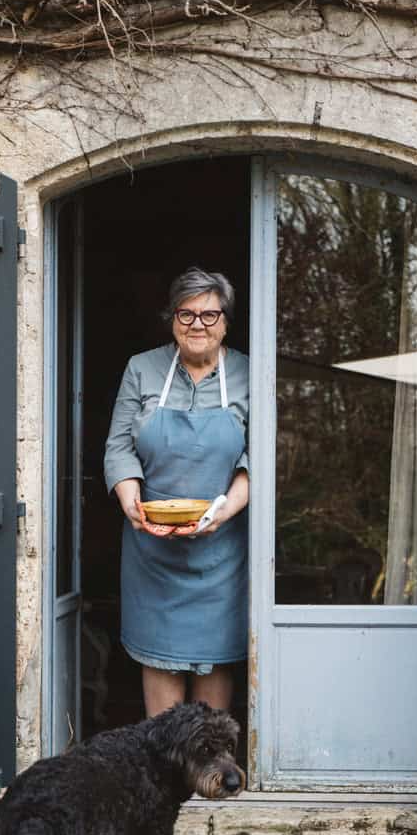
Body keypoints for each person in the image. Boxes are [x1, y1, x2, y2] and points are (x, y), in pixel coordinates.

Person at [104, 266, 250, 717]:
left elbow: (256, 463)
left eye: (210, 315)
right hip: (152, 544)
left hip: (221, 547)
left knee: (215, 663)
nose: (198, 326)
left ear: (226, 320)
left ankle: (209, 781)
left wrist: (223, 512)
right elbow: (119, 447)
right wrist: (132, 502)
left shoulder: (250, 372)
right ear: (171, 319)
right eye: (186, 315)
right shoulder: (141, 368)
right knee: (159, 663)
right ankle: (166, 781)